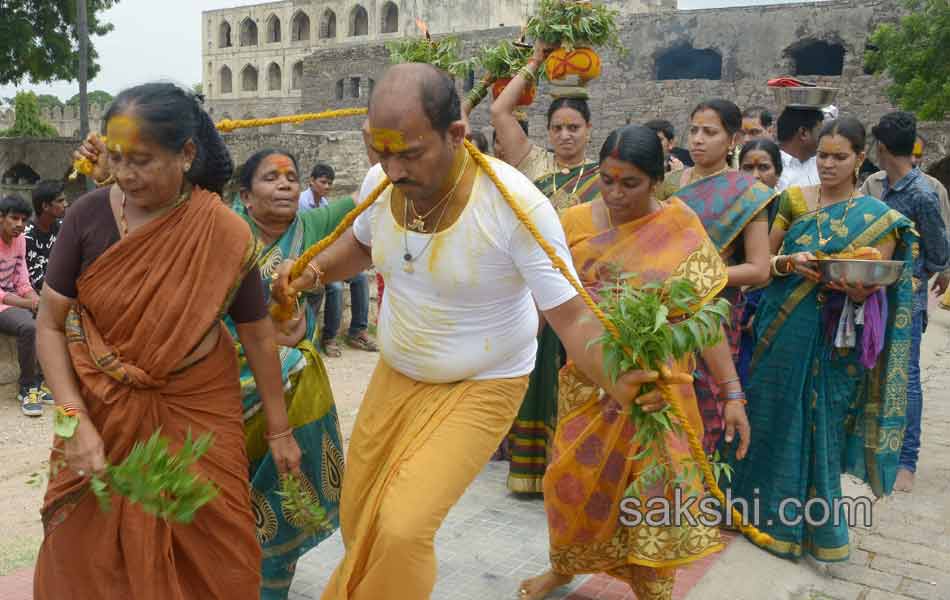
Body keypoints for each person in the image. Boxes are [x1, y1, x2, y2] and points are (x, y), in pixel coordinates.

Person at [277, 63, 660, 600]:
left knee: (404, 527)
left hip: (484, 384)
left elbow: (570, 315)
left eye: (409, 153)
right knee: (359, 511)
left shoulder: (515, 206)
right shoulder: (380, 183)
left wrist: (620, 378)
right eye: (380, 152)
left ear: (456, 135)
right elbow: (363, 245)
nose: (392, 168)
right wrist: (311, 274)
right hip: (397, 374)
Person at [34, 83, 301, 599]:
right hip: (99, 414)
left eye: (142, 160)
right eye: (116, 158)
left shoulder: (222, 232)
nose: (127, 174)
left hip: (197, 413)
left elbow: (257, 335)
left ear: (186, 154)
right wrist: (75, 422)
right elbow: (48, 325)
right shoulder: (88, 216)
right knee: (86, 559)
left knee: (212, 560)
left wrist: (279, 429)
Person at [517, 125, 750, 600]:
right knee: (571, 485)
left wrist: (732, 393)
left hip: (658, 391)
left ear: (657, 181)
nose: (616, 193)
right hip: (587, 386)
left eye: (630, 184)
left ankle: (653, 592)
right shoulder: (573, 223)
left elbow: (706, 320)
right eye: (607, 180)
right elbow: (548, 303)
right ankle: (563, 568)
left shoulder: (681, 227)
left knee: (654, 498)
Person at [729, 116, 918, 562]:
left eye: (840, 157)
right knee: (770, 407)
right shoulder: (794, 200)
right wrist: (789, 261)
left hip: (837, 333)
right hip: (783, 324)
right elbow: (766, 259)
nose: (829, 165)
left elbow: (876, 279)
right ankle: (751, 509)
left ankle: (807, 527)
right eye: (823, 156)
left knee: (820, 420)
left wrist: (860, 287)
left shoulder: (880, 219)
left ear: (859, 158)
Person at [230, 149, 353, 598]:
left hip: (293, 380)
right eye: (270, 178)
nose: (284, 184)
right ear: (244, 195)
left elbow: (380, 195)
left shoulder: (313, 227)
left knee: (285, 493)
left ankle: (270, 584)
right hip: (229, 373)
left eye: (291, 178)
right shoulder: (227, 231)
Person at [490, 40, 605, 493]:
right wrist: (536, 59)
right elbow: (500, 112)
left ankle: (577, 470)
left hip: (585, 294)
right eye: (557, 127)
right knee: (538, 378)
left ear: (589, 129)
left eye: (574, 127)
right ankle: (534, 472)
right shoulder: (533, 163)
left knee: (581, 380)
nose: (565, 135)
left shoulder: (604, 173)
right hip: (535, 292)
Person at [660, 99, 775, 453]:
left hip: (713, 315)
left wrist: (700, 278)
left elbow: (759, 268)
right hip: (660, 312)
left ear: (732, 140)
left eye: (710, 132)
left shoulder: (748, 194)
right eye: (693, 130)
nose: (697, 139)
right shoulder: (665, 185)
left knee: (702, 410)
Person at [858, 112, 949, 493]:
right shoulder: (878, 187)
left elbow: (940, 253)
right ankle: (873, 448)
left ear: (880, 148)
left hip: (905, 301)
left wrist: (911, 277)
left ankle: (906, 460)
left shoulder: (923, 193)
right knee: (872, 368)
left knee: (906, 376)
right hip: (873, 294)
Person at [863, 132, 950, 300]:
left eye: (918, 155)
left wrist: (945, 272)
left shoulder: (932, 188)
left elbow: (944, 232)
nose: (913, 160)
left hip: (912, 277)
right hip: (871, 275)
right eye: (909, 154)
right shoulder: (873, 183)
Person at [0, 195, 43, 416]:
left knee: (49, 315)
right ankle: (27, 387)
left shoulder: (20, 241)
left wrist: (35, 299)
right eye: (14, 218)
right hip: (2, 302)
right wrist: (27, 303)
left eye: (24, 220)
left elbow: (22, 280)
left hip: (12, 298)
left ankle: (43, 379)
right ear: (1, 218)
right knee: (28, 326)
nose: (19, 224)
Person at [25, 179, 68, 292]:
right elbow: (37, 280)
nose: (66, 204)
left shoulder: (62, 227)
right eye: (60, 201)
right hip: (43, 293)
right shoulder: (28, 236)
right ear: (45, 206)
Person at [775, 107, 823, 191]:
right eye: (819, 131)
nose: (823, 137)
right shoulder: (771, 170)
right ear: (803, 133)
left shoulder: (821, 165)